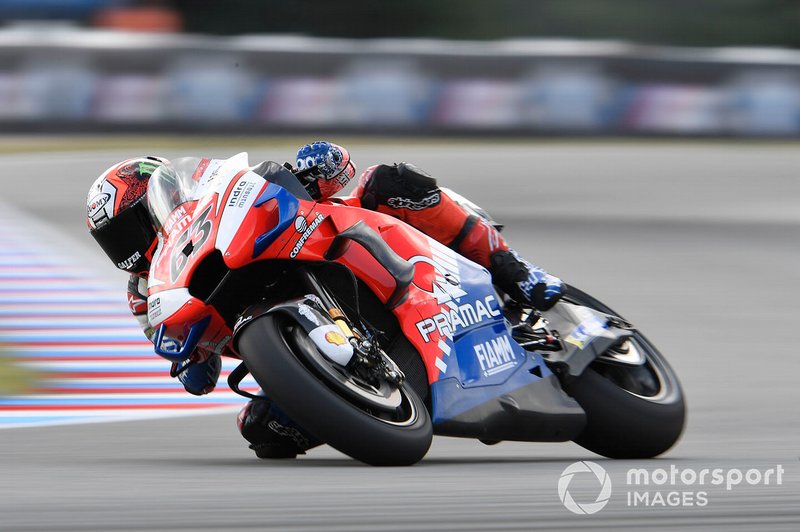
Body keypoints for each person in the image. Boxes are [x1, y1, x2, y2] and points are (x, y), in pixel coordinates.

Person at [86, 143, 565, 459]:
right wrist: (193, 359)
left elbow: (308, 176)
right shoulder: (146, 293)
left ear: (159, 197)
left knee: (389, 182)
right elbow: (194, 374)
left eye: (130, 225)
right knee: (262, 432)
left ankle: (513, 268)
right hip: (281, 336)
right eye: (114, 239)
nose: (127, 246)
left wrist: (318, 169)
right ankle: (357, 398)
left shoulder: (208, 194)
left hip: (341, 247)